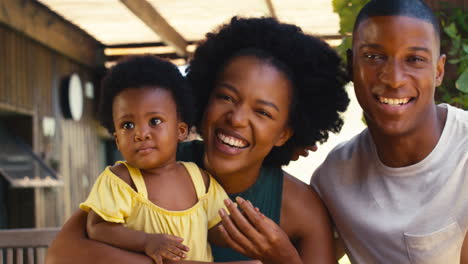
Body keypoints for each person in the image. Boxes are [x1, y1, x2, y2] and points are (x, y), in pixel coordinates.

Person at [46, 17, 350, 264]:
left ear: (285, 133)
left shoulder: (301, 208)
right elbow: (60, 255)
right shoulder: (150, 164)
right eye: (226, 97)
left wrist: (283, 258)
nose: (237, 118)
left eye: (262, 112)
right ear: (203, 97)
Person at [310, 0, 468, 263]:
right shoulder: (334, 177)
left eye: (415, 59)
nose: (394, 78)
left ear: (438, 71)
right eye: (373, 57)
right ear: (351, 65)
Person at [79, 55, 255, 264]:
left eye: (154, 121)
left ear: (180, 131)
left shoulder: (199, 180)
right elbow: (97, 227)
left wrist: (243, 226)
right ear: (117, 140)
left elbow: (217, 227)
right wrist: (146, 241)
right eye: (127, 125)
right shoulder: (121, 181)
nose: (140, 134)